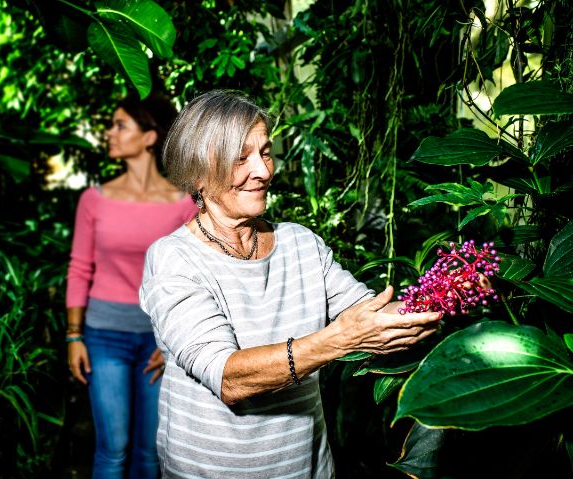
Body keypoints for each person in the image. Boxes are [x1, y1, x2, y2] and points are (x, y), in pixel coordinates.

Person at [138, 89, 443, 478]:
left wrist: (450, 290)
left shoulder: (301, 244)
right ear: (198, 172)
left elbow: (370, 315)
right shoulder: (173, 259)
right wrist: (339, 340)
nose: (263, 171)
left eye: (265, 152)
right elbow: (228, 377)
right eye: (240, 158)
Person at [65, 92, 197, 479]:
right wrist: (74, 336)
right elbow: (79, 269)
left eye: (120, 125)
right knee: (113, 450)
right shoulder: (95, 200)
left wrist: (172, 340)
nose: (109, 133)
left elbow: (194, 278)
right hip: (104, 337)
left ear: (150, 136)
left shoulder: (183, 205)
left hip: (160, 341)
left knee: (150, 452)